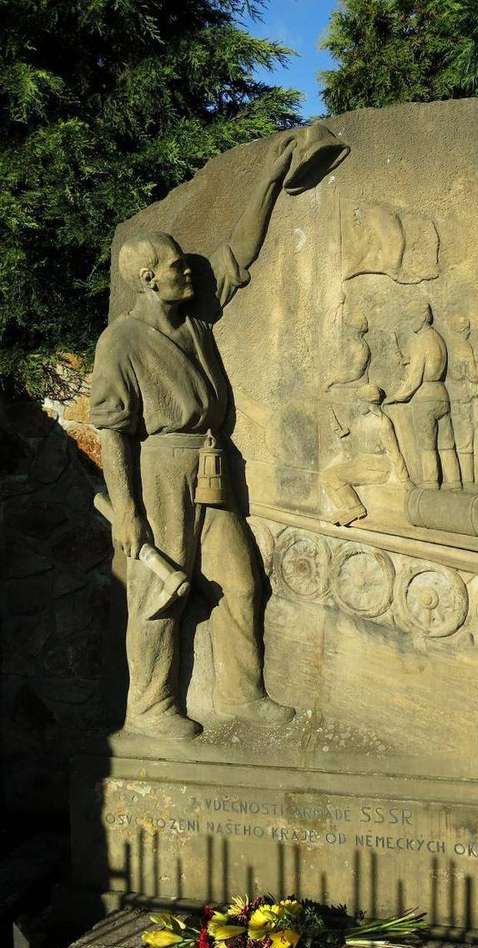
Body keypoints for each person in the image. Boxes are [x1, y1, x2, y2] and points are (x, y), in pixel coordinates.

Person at [90, 137, 297, 739]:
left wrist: (269, 180)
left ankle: (240, 694)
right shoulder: (122, 341)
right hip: (161, 469)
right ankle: (150, 709)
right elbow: (111, 431)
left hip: (211, 466)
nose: (189, 271)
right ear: (148, 279)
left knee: (241, 581)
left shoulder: (197, 322)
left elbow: (239, 255)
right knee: (160, 591)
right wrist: (128, 511)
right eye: (177, 266)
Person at [385, 302, 461, 490]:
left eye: (412, 317)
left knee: (427, 445)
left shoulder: (421, 341)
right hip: (441, 392)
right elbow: (430, 362)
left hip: (425, 396)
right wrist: (409, 360)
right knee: (446, 444)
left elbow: (415, 377)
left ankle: (431, 483)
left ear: (423, 317)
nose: (410, 321)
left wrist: (397, 396)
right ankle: (454, 482)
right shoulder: (437, 338)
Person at [322, 384, 410, 526]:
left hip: (377, 468)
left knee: (334, 476)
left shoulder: (383, 423)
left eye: (360, 401)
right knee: (325, 475)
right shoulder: (359, 420)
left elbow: (394, 452)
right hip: (360, 463)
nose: (357, 405)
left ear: (369, 403)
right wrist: (344, 436)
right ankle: (343, 508)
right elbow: (355, 446)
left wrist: (405, 480)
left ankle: (356, 508)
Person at [444, 314, 478, 484]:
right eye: (466, 329)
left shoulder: (446, 345)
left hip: (448, 397)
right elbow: (473, 375)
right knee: (465, 440)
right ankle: (468, 480)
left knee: (449, 438)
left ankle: (453, 480)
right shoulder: (464, 346)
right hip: (462, 397)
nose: (469, 332)